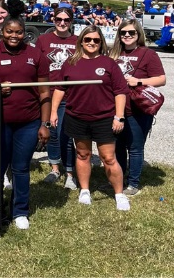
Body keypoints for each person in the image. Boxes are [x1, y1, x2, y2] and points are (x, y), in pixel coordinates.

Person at [0, 13, 50, 230]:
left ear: (25, 33)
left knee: (21, 168)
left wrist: (45, 124)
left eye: (19, 32)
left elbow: (44, 90)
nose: (14, 36)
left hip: (29, 122)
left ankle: (20, 211)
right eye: (9, 31)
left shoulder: (35, 55)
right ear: (2, 32)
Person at [50, 25, 130, 211]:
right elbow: (60, 88)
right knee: (82, 154)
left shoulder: (109, 63)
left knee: (108, 157)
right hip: (77, 117)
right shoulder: (70, 62)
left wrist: (119, 116)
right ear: (81, 41)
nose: (92, 43)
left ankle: (119, 194)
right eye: (88, 39)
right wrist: (54, 111)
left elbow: (120, 91)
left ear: (101, 42)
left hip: (104, 118)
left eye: (96, 40)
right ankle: (84, 190)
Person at [109, 19, 166, 196]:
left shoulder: (148, 54)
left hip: (137, 109)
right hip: (115, 109)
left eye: (131, 33)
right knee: (117, 146)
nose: (127, 35)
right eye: (123, 32)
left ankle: (133, 183)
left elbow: (161, 79)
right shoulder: (113, 53)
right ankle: (118, 179)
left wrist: (138, 81)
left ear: (138, 34)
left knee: (134, 147)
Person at [35, 7, 78, 189]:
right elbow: (35, 65)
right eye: (58, 19)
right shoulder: (43, 40)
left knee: (66, 135)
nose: (62, 23)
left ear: (71, 22)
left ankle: (70, 172)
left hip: (69, 95)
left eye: (66, 20)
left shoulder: (77, 41)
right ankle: (54, 168)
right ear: (53, 20)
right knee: (51, 133)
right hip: (47, 93)